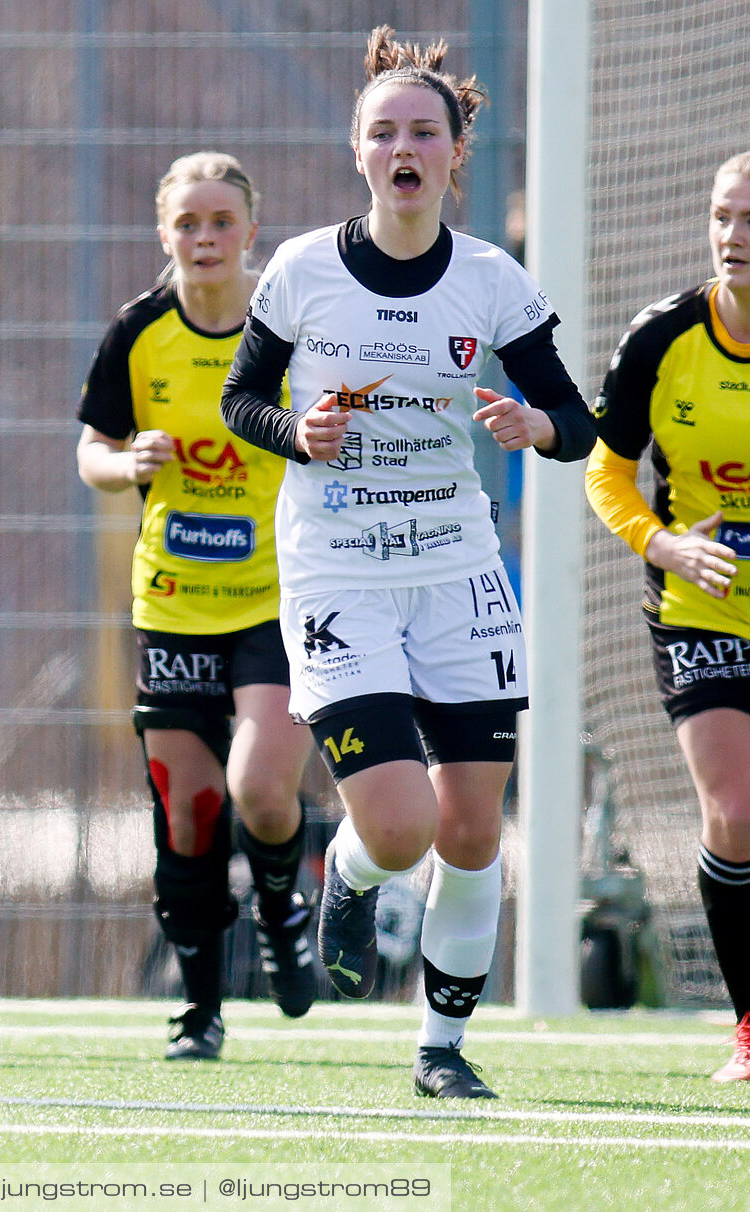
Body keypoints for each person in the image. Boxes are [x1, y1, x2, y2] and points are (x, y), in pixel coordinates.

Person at [220, 27, 594, 1098]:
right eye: (383, 130)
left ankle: (440, 1049)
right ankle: (347, 875)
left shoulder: (490, 281)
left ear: (453, 151)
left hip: (456, 568)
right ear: (358, 151)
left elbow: (576, 420)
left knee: (474, 831)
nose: (403, 146)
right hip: (339, 569)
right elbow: (240, 401)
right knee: (399, 824)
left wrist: (536, 426)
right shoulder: (300, 272)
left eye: (423, 129)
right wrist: (301, 435)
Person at [76, 152, 319, 1061]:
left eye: (223, 223)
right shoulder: (138, 334)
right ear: (163, 232)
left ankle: (283, 907)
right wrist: (124, 460)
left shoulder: (292, 325)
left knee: (261, 788)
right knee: (189, 813)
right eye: (189, 224)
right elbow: (92, 450)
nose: (206, 239)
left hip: (277, 598)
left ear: (251, 232)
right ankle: (200, 1011)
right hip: (173, 606)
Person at [586, 150, 750, 1083]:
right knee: (735, 808)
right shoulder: (665, 337)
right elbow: (606, 470)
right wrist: (668, 545)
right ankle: (749, 1028)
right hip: (699, 609)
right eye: (724, 216)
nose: (736, 236)